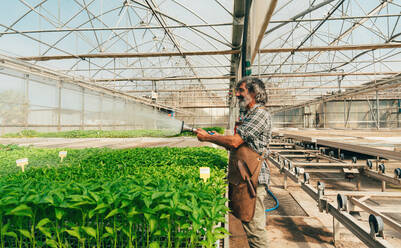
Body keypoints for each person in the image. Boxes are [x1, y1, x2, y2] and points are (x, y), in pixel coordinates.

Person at [196, 76, 272, 248]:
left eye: (241, 91)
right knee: (249, 223)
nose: (237, 94)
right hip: (246, 177)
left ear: (254, 92)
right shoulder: (249, 115)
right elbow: (239, 143)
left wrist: (208, 138)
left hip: (253, 178)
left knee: (255, 230)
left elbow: (235, 142)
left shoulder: (259, 114)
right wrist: (216, 137)